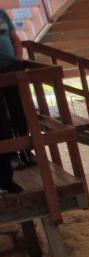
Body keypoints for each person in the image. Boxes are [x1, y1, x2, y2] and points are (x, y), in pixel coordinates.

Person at [0, 8, 27, 192]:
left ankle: (24, 152)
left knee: (20, 111)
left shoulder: (1, 13)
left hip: (10, 68)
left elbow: (15, 39)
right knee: (1, 124)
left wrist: (17, 60)